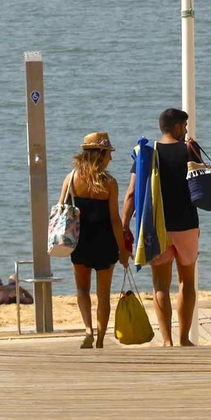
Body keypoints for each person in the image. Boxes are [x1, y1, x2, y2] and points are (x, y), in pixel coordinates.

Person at [122, 108, 199, 347]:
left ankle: (167, 340)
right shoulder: (189, 149)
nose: (185, 131)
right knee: (186, 281)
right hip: (187, 225)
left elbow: (132, 194)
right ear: (176, 127)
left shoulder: (146, 152)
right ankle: (184, 338)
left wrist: (124, 226)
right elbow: (203, 184)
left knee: (160, 284)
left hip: (157, 226)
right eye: (184, 127)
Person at [65, 132, 131, 348]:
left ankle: (88, 330)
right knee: (103, 296)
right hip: (104, 242)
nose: (110, 158)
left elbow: (61, 211)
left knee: (83, 289)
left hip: (80, 241)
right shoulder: (110, 183)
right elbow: (114, 219)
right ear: (100, 155)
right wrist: (122, 250)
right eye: (108, 154)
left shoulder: (72, 179)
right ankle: (101, 339)